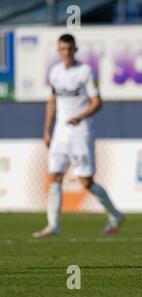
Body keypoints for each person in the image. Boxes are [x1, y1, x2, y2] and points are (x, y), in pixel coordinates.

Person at [32, 34, 124, 238]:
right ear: (58, 51)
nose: (66, 52)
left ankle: (115, 214)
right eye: (63, 49)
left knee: (86, 181)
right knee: (54, 175)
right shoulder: (55, 72)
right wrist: (47, 130)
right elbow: (53, 101)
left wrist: (80, 117)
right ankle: (53, 225)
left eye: (70, 49)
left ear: (75, 50)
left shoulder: (85, 72)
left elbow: (97, 102)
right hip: (60, 133)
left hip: (80, 132)